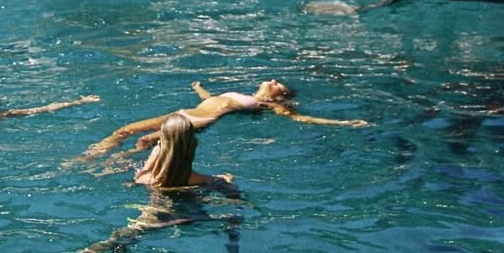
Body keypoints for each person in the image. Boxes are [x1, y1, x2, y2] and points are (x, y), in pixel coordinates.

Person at [52, 113, 233, 253]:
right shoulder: (205, 180)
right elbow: (227, 191)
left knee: (113, 242)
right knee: (231, 219)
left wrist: (155, 154)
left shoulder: (151, 180)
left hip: (154, 218)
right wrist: (227, 180)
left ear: (162, 144)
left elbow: (140, 177)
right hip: (193, 217)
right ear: (194, 145)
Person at [73, 77, 367, 166]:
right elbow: (212, 98)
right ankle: (90, 157)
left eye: (279, 84)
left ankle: (114, 164)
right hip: (186, 110)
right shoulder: (244, 95)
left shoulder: (265, 105)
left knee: (147, 141)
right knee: (124, 130)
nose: (273, 81)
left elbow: (301, 118)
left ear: (280, 96)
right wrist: (199, 89)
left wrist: (341, 124)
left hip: (201, 120)